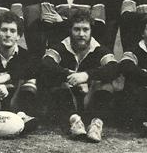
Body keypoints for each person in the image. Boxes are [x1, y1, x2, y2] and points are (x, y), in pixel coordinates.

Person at [40, 10, 119, 143]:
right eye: (77, 29)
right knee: (55, 80)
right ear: (70, 30)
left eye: (85, 29)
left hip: (91, 99)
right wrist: (70, 75)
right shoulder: (61, 46)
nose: (81, 34)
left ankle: (96, 124)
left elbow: (114, 67)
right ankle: (74, 121)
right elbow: (46, 63)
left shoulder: (99, 49)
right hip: (69, 99)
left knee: (106, 84)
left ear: (91, 31)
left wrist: (87, 75)